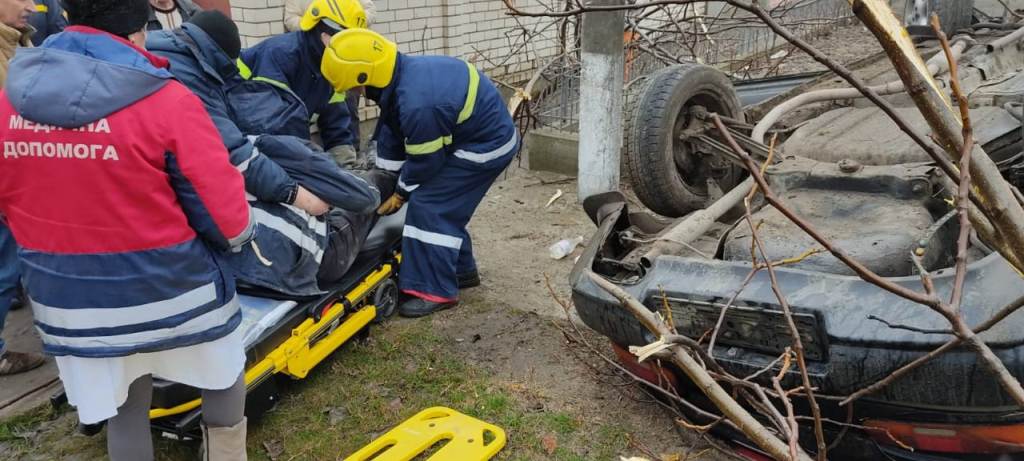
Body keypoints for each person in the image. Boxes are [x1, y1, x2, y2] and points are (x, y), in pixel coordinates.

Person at [0, 0, 253, 459]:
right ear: (139, 32)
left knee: (124, 404)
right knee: (223, 370)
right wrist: (240, 239)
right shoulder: (167, 99)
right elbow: (227, 218)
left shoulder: (8, 102)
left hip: (68, 303)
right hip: (175, 292)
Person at [149, 10, 386, 297]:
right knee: (374, 187)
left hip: (266, 217)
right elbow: (266, 133)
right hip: (304, 249)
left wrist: (339, 159)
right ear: (326, 34)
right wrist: (299, 189)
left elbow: (335, 114)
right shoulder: (275, 61)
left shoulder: (181, 66)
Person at [322, 29, 520, 317]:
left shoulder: (418, 103)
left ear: (367, 77)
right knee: (447, 206)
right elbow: (392, 131)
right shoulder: (400, 80)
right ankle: (462, 272)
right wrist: (384, 177)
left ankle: (434, 290)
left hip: (486, 147)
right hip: (467, 136)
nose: (355, 94)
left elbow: (425, 160)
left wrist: (401, 193)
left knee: (431, 206)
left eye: (355, 88)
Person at [238, 0, 366, 168]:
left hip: (277, 140)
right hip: (239, 136)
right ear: (323, 33)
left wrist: (346, 168)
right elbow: (277, 127)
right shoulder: (280, 55)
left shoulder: (329, 65)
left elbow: (336, 123)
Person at [0, 0, 44, 376]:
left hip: (22, 179)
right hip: (7, 186)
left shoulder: (19, 43)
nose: (32, 5)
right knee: (3, 271)